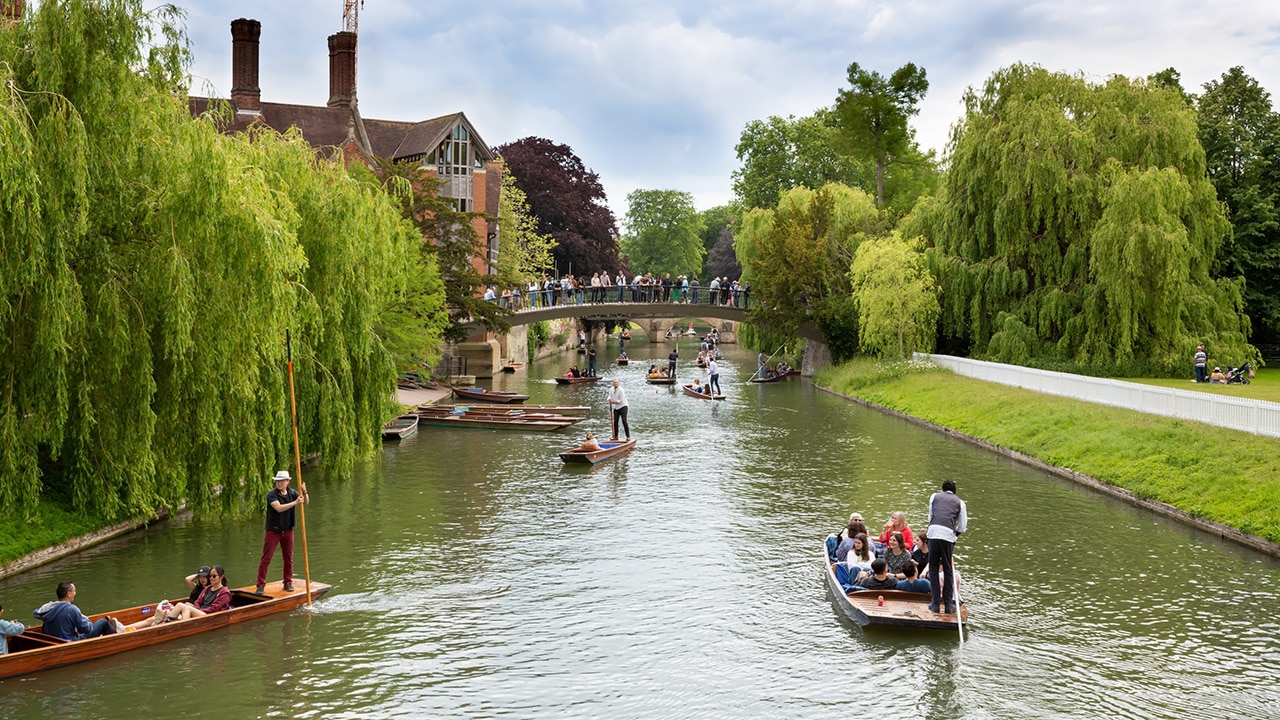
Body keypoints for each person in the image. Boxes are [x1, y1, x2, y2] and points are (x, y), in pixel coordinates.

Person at [256, 469, 309, 594]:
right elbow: (279, 508)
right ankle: (260, 585)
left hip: (288, 530)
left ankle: (287, 582)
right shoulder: (271, 495)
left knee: (288, 557)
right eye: (277, 481)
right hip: (273, 531)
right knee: (266, 558)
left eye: (281, 481)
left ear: (287, 481)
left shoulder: (292, 493)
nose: (279, 483)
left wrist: (304, 491)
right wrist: (295, 502)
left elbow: (306, 502)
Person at [926, 479, 968, 614]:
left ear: (942, 489)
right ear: (954, 492)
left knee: (933, 568)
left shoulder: (934, 497)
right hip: (948, 536)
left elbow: (931, 517)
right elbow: (962, 526)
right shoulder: (960, 503)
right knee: (948, 569)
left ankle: (935, 603)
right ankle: (949, 604)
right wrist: (954, 535)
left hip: (933, 533)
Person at [33, 582, 117, 641]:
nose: (75, 593)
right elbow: (87, 629)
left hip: (54, 640)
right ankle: (117, 636)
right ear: (68, 594)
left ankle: (113, 629)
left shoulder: (47, 608)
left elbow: (36, 612)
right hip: (70, 641)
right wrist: (85, 618)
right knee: (103, 622)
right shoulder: (71, 609)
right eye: (74, 591)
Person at [167, 566, 231, 621]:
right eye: (210, 576)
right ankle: (167, 623)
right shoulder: (207, 588)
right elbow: (198, 601)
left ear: (221, 577)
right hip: (200, 612)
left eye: (214, 576)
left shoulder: (224, 593)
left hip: (209, 615)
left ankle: (181, 628)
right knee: (179, 605)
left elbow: (213, 608)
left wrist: (198, 610)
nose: (211, 578)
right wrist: (196, 609)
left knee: (187, 608)